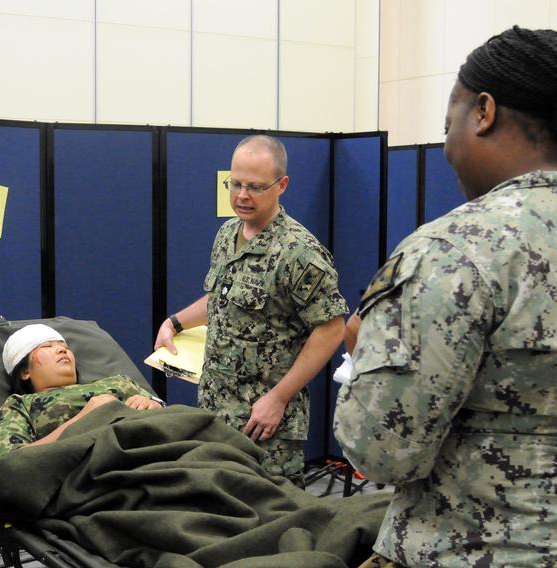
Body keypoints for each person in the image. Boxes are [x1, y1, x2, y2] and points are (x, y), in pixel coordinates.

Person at [335, 26, 557, 568]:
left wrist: (369, 351)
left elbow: (381, 451)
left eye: (448, 123)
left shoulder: (459, 251)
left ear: (483, 111)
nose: (446, 148)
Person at [155, 135, 347, 483]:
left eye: (255, 187)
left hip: (264, 423)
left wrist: (278, 397)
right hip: (216, 410)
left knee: (267, 521)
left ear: (282, 185)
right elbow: (222, 297)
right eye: (236, 184)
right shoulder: (227, 234)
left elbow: (331, 328)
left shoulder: (298, 252)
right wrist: (175, 322)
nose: (242, 196)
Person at [0, 324, 162, 460]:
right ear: (24, 371)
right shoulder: (20, 406)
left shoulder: (119, 381)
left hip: (157, 444)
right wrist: (85, 419)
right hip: (104, 464)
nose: (62, 349)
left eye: (64, 346)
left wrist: (153, 405)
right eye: (47, 346)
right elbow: (10, 462)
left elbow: (170, 418)